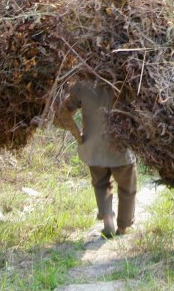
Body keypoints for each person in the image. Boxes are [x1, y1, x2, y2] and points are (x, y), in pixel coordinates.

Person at [54, 79, 137, 239]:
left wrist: (75, 129)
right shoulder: (126, 80)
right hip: (119, 147)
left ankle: (107, 220)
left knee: (100, 184)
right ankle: (123, 225)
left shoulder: (82, 84)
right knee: (127, 187)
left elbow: (65, 109)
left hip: (93, 147)